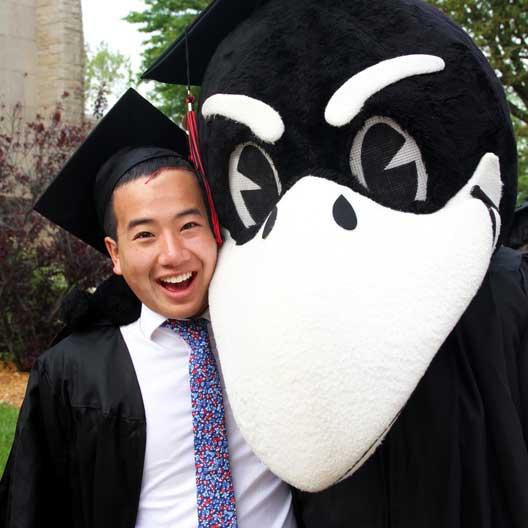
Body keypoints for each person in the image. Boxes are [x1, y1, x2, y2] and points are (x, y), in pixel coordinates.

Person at [0, 89, 298, 528]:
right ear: (114, 254)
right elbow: (32, 509)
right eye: (144, 235)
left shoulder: (276, 334)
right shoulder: (73, 374)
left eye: (189, 225)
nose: (173, 254)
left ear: (216, 227)